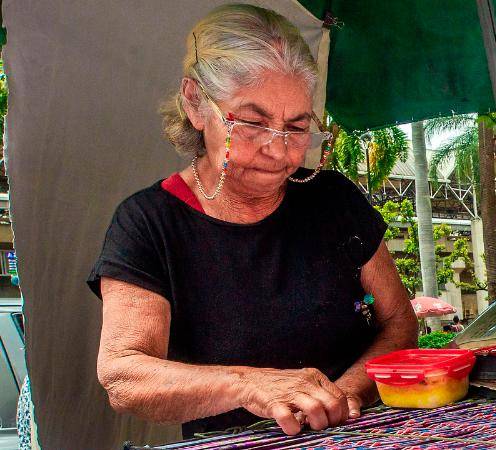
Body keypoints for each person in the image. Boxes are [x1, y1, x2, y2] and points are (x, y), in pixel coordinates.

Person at [90, 5, 418, 436]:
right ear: (195, 104)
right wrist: (253, 385)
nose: (279, 151)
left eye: (297, 128)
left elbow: (398, 322)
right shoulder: (148, 223)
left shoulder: (334, 201)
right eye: (251, 123)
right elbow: (124, 375)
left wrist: (346, 395)